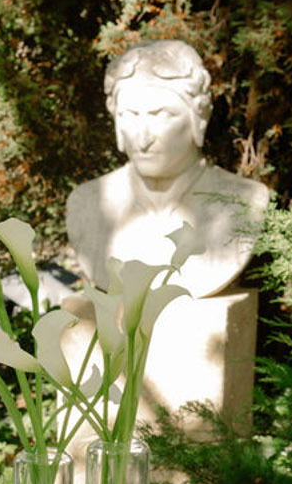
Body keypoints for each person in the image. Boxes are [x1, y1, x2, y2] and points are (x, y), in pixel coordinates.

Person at [65, 40, 269, 298]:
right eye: (129, 115)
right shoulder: (86, 203)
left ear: (199, 118)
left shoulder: (243, 200)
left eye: (159, 115)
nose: (143, 137)